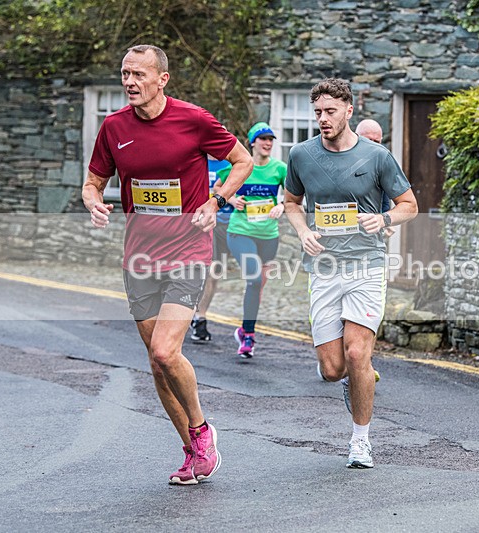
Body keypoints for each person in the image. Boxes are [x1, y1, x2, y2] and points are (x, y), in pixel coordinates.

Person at [82, 44, 253, 485]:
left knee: (164, 349)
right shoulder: (113, 127)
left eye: (139, 74)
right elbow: (93, 181)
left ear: (163, 79)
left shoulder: (193, 120)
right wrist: (95, 201)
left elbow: (242, 160)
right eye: (125, 73)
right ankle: (192, 451)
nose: (130, 82)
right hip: (139, 257)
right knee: (157, 364)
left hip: (188, 252)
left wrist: (217, 201)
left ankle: (201, 431)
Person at [284, 78, 418, 469]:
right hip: (324, 268)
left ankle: (361, 441)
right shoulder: (301, 155)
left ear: (348, 111)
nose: (323, 120)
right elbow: (291, 202)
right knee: (332, 369)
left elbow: (409, 204)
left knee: (358, 352)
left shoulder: (377, 156)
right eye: (318, 113)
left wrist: (384, 218)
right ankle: (352, 378)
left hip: (366, 265)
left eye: (330, 112)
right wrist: (304, 230)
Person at [218, 121, 287, 357]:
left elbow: (293, 197)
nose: (268, 143)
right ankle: (248, 335)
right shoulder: (240, 166)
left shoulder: (280, 169)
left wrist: (282, 205)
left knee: (257, 287)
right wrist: (230, 200)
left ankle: (244, 329)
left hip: (269, 235)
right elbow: (217, 188)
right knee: (254, 279)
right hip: (240, 231)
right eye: (263, 139)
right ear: (252, 142)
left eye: (271, 140)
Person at [190, 156, 234, 343]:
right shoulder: (195, 161)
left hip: (226, 224)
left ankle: (199, 315)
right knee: (205, 271)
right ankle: (197, 317)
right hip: (202, 225)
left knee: (214, 274)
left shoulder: (231, 166)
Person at [355, 119, 393, 237]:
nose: (372, 146)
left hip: (370, 235)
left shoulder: (383, 164)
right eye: (368, 140)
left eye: (376, 141)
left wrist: (385, 222)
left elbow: (385, 201)